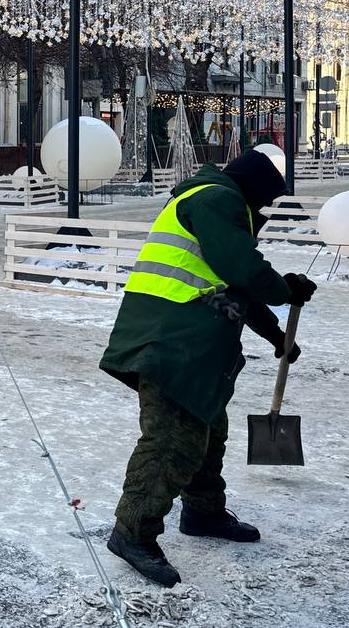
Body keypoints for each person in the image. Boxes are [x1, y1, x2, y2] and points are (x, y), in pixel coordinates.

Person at [101, 151, 315, 588]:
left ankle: (203, 512)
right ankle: (132, 533)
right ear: (252, 191)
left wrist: (277, 337)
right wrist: (283, 287)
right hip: (169, 341)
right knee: (171, 441)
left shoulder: (213, 200)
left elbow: (234, 284)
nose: (264, 213)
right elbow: (244, 270)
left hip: (189, 345)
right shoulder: (216, 200)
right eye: (266, 202)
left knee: (206, 430)